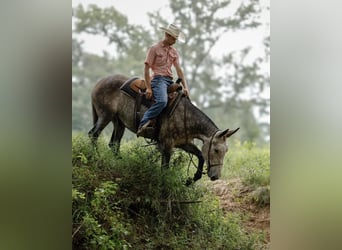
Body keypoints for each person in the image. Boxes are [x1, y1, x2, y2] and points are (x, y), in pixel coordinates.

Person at [137, 23, 190, 136]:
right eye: (174, 38)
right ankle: (143, 123)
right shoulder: (154, 49)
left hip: (169, 80)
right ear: (167, 35)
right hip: (158, 79)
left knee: (183, 101)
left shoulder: (174, 52)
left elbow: (179, 70)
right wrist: (149, 88)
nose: (175, 41)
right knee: (162, 101)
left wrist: (185, 87)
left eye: (176, 39)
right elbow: (146, 69)